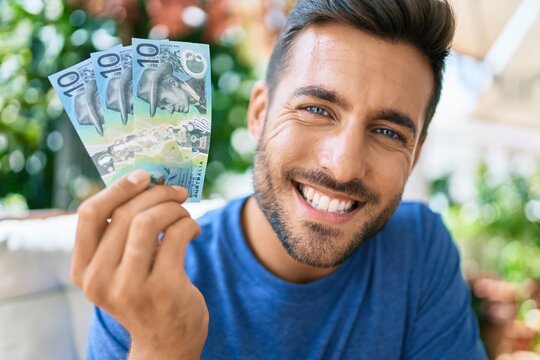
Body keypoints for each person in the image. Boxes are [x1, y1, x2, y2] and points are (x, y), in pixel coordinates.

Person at [72, 0, 488, 359]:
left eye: (388, 132)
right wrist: (165, 348)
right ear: (259, 115)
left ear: (414, 155)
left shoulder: (419, 247)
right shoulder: (146, 280)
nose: (342, 166)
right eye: (317, 109)